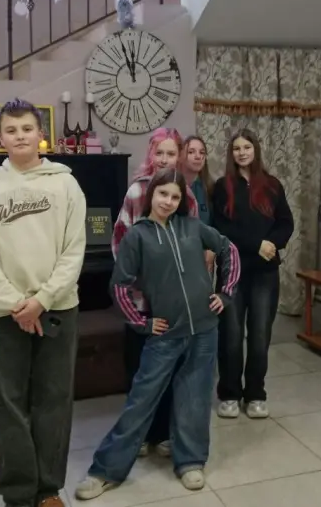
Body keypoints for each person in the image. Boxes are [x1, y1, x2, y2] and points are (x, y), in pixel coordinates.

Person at [75, 169, 240, 500]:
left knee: (195, 399)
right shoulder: (137, 236)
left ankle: (190, 461)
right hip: (165, 335)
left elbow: (229, 250)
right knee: (141, 401)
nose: (168, 201)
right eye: (163, 194)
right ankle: (104, 471)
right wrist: (142, 323)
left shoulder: (192, 227)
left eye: (175, 197)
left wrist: (225, 293)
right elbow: (119, 286)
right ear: (152, 194)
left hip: (204, 331)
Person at [0, 98, 87, 507]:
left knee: (54, 400)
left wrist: (42, 300)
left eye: (26, 129)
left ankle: (48, 488)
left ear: (41, 135)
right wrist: (17, 304)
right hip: (3, 315)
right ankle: (18, 494)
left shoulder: (65, 185)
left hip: (58, 309)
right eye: (11, 130)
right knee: (8, 405)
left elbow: (74, 250)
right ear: (0, 138)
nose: (19, 136)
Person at [111, 128, 199, 458]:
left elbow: (192, 243)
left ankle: (162, 433)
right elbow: (120, 241)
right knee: (139, 371)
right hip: (140, 299)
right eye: (158, 152)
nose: (164, 159)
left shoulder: (187, 196)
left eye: (170, 153)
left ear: (179, 157)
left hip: (172, 301)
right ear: (151, 154)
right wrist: (141, 277)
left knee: (171, 370)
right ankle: (138, 433)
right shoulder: (137, 191)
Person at [211, 129, 294, 420]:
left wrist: (272, 243)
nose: (242, 152)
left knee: (260, 336)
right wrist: (256, 244)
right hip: (231, 273)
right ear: (231, 153)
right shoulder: (222, 186)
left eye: (247, 147)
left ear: (255, 150)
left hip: (264, 274)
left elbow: (286, 223)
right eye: (237, 148)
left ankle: (256, 393)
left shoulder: (272, 185)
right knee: (230, 336)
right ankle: (229, 394)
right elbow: (221, 228)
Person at [181, 135, 213, 225]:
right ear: (181, 155)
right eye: (191, 152)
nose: (198, 156)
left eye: (202, 152)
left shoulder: (210, 188)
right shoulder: (173, 186)